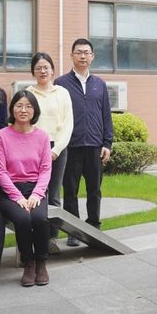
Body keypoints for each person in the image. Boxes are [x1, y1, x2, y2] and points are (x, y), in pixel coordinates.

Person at [55, 38, 113, 246]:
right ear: (71, 55)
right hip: (71, 146)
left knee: (94, 189)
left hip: (95, 146)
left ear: (92, 56)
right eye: (78, 52)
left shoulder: (100, 84)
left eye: (86, 52)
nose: (82, 56)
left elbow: (106, 115)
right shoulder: (61, 84)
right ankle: (73, 231)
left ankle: (94, 226)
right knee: (70, 190)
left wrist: (107, 143)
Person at [0, 90, 52, 286]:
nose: (23, 110)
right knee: (23, 219)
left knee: (39, 218)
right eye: (19, 105)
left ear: (34, 111)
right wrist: (17, 197)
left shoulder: (42, 136)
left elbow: (45, 169)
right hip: (9, 192)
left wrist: (36, 194)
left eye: (28, 106)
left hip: (35, 189)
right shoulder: (1, 136)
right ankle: (29, 264)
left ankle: (41, 262)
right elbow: (0, 171)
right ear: (12, 109)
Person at [26, 52, 73, 254]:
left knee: (53, 194)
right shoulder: (28, 93)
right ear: (33, 72)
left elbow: (68, 124)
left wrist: (55, 150)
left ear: (52, 70)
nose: (42, 71)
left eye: (46, 67)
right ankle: (33, 237)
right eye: (38, 68)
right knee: (33, 192)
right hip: (32, 148)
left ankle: (51, 238)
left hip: (57, 148)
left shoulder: (62, 93)